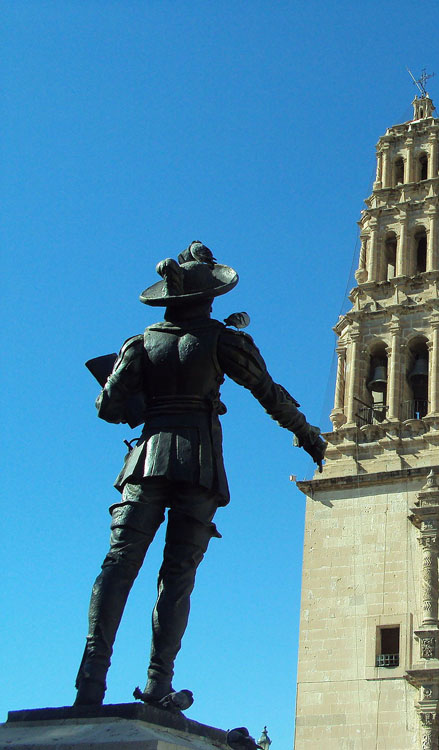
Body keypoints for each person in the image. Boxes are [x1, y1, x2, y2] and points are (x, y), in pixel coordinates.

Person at [74, 242, 326, 708]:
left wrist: (138, 398)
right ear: (208, 298)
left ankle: (90, 680)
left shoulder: (139, 343)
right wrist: (311, 438)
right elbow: (270, 395)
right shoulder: (222, 340)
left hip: (145, 460)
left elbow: (108, 408)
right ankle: (157, 681)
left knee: (118, 565)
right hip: (198, 463)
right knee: (177, 578)